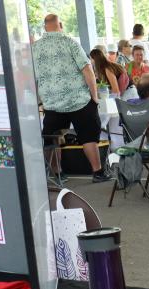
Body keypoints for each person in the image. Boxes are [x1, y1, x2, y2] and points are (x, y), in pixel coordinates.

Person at [32, 14, 108, 182]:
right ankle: (98, 172)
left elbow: (30, 77)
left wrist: (38, 99)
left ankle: (58, 174)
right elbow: (87, 70)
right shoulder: (70, 42)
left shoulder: (35, 48)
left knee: (52, 137)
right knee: (88, 136)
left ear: (45, 28)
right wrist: (94, 96)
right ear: (61, 24)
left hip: (52, 103)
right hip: (79, 99)